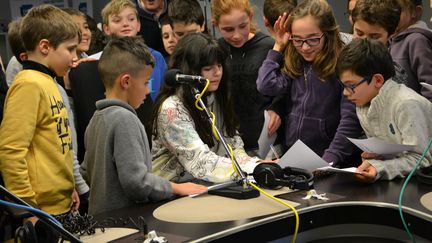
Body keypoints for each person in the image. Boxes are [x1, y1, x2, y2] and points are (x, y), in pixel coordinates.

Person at [80, 36, 206, 215]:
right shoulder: (124, 119)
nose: (148, 90)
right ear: (126, 81)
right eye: (146, 82)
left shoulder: (96, 119)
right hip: (125, 223)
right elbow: (136, 182)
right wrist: (176, 188)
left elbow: (85, 172)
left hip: (102, 221)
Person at [257, 0, 363, 167]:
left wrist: (327, 160)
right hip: (295, 158)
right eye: (297, 40)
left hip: (331, 161)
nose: (305, 47)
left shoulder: (343, 65)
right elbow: (266, 85)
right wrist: (278, 46)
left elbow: (350, 122)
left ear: (327, 33)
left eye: (313, 39)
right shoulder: (295, 60)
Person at [5, 12, 91, 215]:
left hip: (61, 202)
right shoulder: (28, 84)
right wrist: (27, 209)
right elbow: (11, 150)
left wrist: (68, 187)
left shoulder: (49, 82)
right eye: (70, 49)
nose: (75, 57)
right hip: (39, 210)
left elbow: (56, 146)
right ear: (44, 47)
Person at [152, 33, 265, 183]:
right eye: (208, 68)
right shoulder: (171, 109)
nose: (217, 73)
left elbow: (233, 144)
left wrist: (257, 165)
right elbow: (199, 161)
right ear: (189, 71)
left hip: (205, 184)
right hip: (171, 191)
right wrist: (253, 169)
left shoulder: (216, 96)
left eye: (219, 65)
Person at [69, 0, 165, 162]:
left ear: (139, 24)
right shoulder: (91, 65)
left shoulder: (155, 58)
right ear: (106, 28)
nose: (125, 24)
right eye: (117, 20)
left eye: (130, 19)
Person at [337, 38, 432, 182]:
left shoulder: (406, 104)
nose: (345, 93)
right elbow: (393, 154)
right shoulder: (363, 104)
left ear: (378, 80)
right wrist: (374, 159)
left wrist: (380, 168)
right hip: (400, 182)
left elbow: (422, 160)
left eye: (350, 86)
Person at [212, 0, 284, 157]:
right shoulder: (216, 50)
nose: (236, 35)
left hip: (267, 142)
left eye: (242, 26)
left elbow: (287, 87)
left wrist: (277, 108)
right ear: (216, 25)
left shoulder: (269, 46)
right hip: (230, 145)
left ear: (251, 17)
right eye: (228, 29)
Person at [351, 0, 409, 86]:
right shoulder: (338, 51)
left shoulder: (395, 77)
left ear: (391, 34)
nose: (364, 42)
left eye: (374, 37)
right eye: (359, 33)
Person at [390, 0, 432, 101]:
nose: (389, 15)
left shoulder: (417, 40)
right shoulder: (392, 38)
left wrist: (425, 115)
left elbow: (429, 85)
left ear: (415, 12)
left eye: (396, 10)